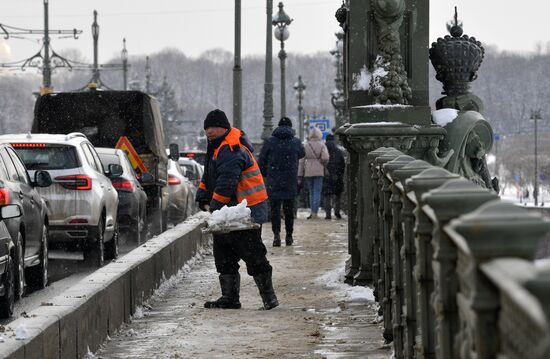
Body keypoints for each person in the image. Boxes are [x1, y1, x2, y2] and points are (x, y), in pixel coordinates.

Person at [196, 109, 278, 310]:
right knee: (224, 254)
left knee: (252, 253)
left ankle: (269, 297)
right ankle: (230, 297)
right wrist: (202, 196)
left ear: (224, 128)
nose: (209, 131)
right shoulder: (217, 147)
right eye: (207, 128)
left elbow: (226, 182)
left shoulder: (231, 148)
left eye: (213, 127)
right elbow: (210, 176)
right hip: (231, 211)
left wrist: (214, 207)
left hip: (245, 212)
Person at [259, 117, 305, 247]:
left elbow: (262, 160)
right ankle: (289, 236)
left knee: (275, 210)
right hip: (290, 180)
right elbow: (302, 153)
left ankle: (276, 236)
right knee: (289, 210)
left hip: (274, 180)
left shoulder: (270, 142)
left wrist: (266, 173)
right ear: (290, 127)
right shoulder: (295, 142)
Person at [298, 127, 329, 219]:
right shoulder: (322, 144)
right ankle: (315, 213)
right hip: (319, 170)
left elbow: (302, 160)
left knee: (311, 192)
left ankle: (312, 212)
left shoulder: (306, 145)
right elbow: (325, 157)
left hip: (308, 170)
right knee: (317, 192)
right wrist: (321, 161)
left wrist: (300, 173)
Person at [322, 134, 346, 219]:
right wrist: (340, 174)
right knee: (337, 195)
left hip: (326, 175)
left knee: (327, 195)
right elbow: (343, 164)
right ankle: (337, 212)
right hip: (337, 175)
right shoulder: (338, 151)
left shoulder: (323, 150)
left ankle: (328, 214)